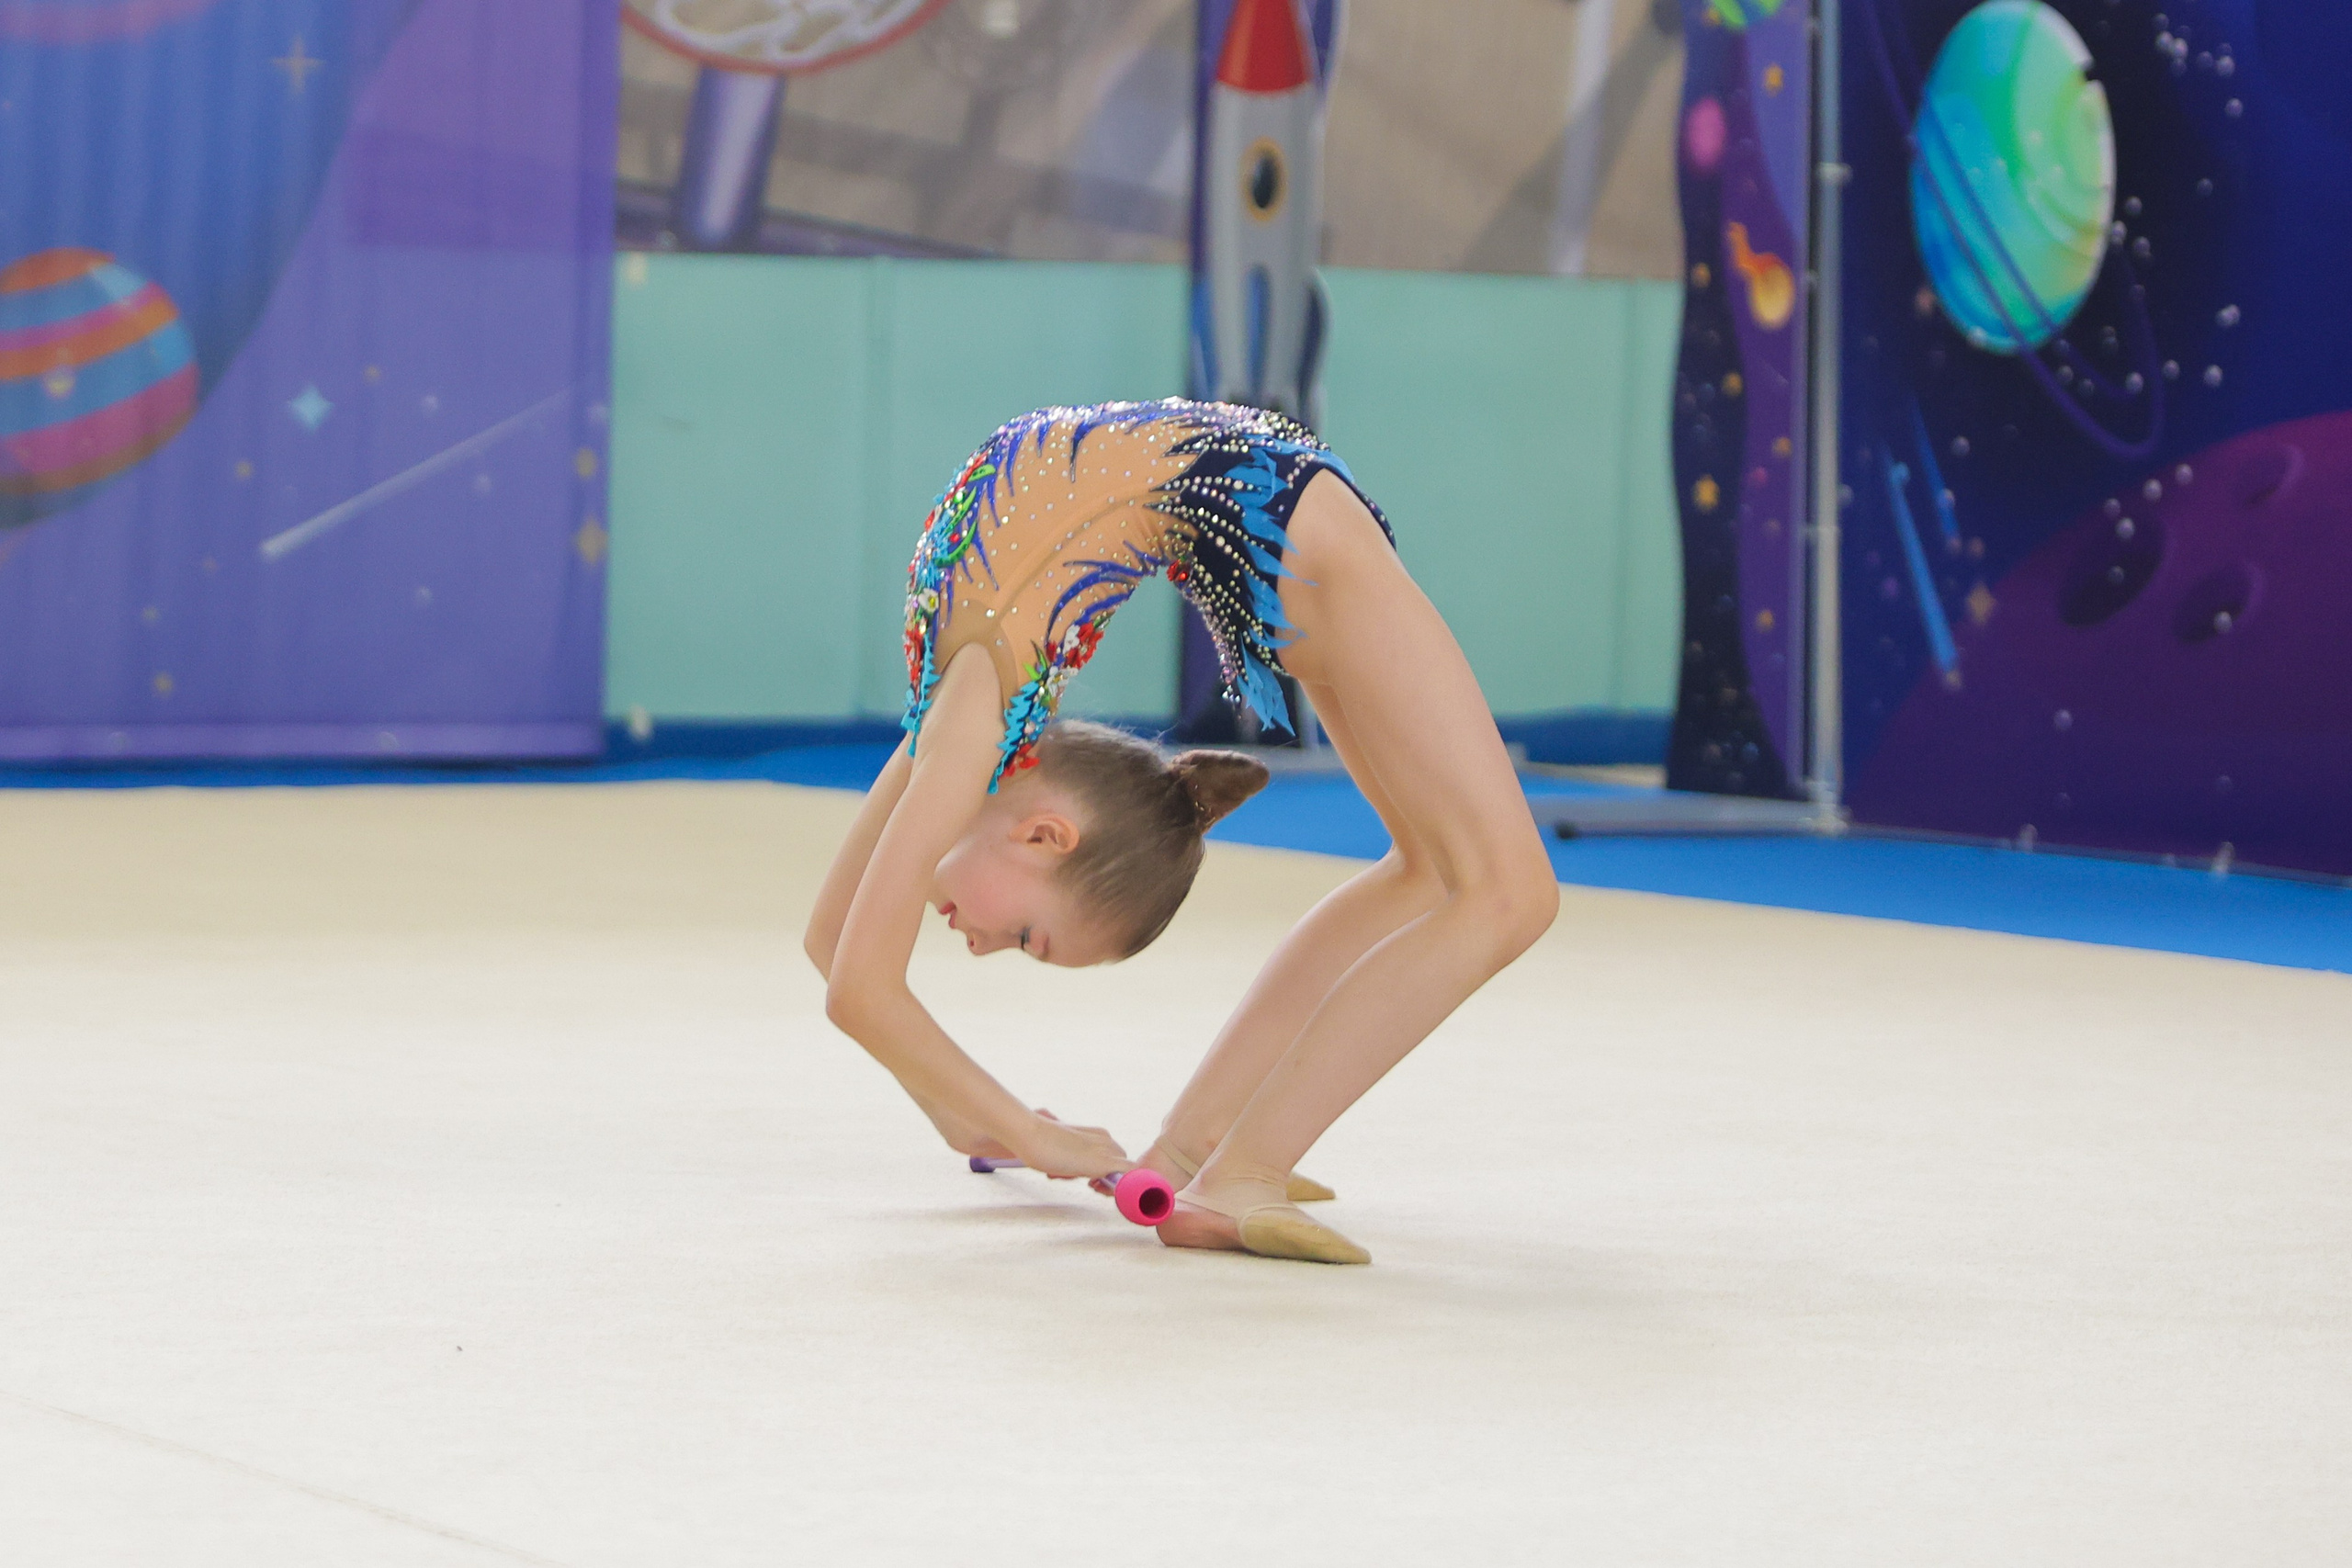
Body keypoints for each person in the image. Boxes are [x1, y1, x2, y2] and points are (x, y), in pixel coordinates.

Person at [805, 400, 1556, 1264]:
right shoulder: (966, 719)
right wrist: (963, 1117)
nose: (984, 947)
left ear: (1046, 835)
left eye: (1024, 934)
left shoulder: (966, 731)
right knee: (1449, 875)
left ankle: (1229, 1164)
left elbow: (855, 984)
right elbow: (835, 943)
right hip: (1266, 514)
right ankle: (1210, 1151)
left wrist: (1022, 1128)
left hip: (1280, 515)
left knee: (1499, 890)